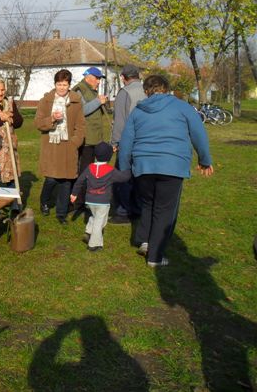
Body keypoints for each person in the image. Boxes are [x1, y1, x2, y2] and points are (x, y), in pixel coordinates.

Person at [118, 75, 214, 267]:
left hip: (144, 165)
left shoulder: (138, 111)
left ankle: (145, 241)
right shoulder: (182, 107)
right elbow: (199, 133)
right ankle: (155, 256)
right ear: (166, 88)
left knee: (148, 204)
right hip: (173, 164)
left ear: (146, 91)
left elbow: (126, 140)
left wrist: (124, 167)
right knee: (165, 210)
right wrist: (204, 160)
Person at [34, 69, 86, 224]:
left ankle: (61, 213)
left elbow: (81, 126)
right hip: (51, 146)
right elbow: (38, 123)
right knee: (51, 179)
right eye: (59, 84)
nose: (62, 87)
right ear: (55, 84)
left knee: (66, 181)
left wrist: (75, 142)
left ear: (69, 85)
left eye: (65, 84)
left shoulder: (76, 101)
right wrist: (51, 119)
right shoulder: (45, 101)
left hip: (68, 146)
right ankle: (44, 202)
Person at [70, 142, 131, 251]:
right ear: (109, 156)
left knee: (95, 216)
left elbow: (80, 181)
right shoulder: (111, 170)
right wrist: (129, 170)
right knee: (100, 222)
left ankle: (88, 231)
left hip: (89, 200)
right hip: (103, 202)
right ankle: (94, 244)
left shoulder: (90, 167)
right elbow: (123, 178)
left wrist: (74, 193)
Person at [110, 64, 146, 224]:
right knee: (139, 177)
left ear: (123, 77)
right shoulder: (147, 91)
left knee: (123, 177)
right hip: (144, 141)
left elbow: (120, 121)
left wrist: (115, 142)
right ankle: (138, 208)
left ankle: (123, 211)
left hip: (127, 141)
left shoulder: (124, 93)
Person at [72, 66, 108, 205]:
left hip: (94, 138)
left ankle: (84, 197)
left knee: (89, 170)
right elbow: (80, 111)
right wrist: (98, 101)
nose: (99, 81)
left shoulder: (91, 91)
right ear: (88, 77)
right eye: (97, 78)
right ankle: (78, 200)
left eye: (99, 79)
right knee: (84, 170)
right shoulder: (79, 90)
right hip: (85, 138)